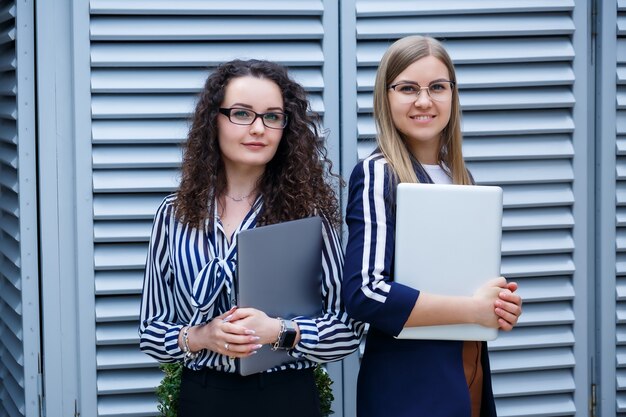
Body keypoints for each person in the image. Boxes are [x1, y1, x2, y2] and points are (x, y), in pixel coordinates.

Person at [139, 59, 364, 417]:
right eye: (242, 114)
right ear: (215, 119)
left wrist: (279, 331)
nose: (259, 128)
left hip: (286, 396)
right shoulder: (173, 214)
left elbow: (346, 328)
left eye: (272, 116)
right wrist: (203, 336)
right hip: (204, 395)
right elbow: (151, 329)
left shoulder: (307, 216)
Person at [342, 35, 523, 417]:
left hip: (467, 370)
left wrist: (499, 303)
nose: (424, 101)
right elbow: (365, 293)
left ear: (453, 95)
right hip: (409, 385)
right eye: (408, 88)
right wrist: (474, 310)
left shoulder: (460, 176)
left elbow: (459, 278)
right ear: (385, 96)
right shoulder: (378, 173)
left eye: (437, 87)